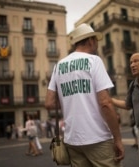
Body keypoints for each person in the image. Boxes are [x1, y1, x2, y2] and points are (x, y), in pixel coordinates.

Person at [45, 23, 124, 167]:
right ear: (90, 40)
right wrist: (117, 138)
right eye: (96, 41)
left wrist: (70, 99)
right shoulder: (94, 61)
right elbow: (105, 103)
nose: (97, 44)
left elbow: (49, 103)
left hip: (72, 140)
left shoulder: (59, 66)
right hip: (97, 138)